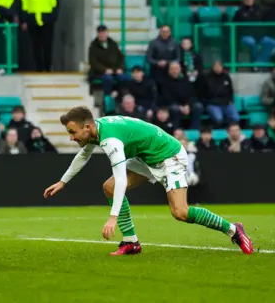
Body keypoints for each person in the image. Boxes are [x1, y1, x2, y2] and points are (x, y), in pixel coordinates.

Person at [42, 106, 253, 256]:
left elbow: (122, 178)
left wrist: (112, 218)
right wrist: (63, 182)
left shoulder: (110, 140)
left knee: (180, 212)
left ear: (87, 127)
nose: (71, 137)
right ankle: (131, 243)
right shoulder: (96, 130)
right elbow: (83, 155)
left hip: (168, 156)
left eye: (72, 132)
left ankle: (233, 229)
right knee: (109, 187)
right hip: (147, 157)